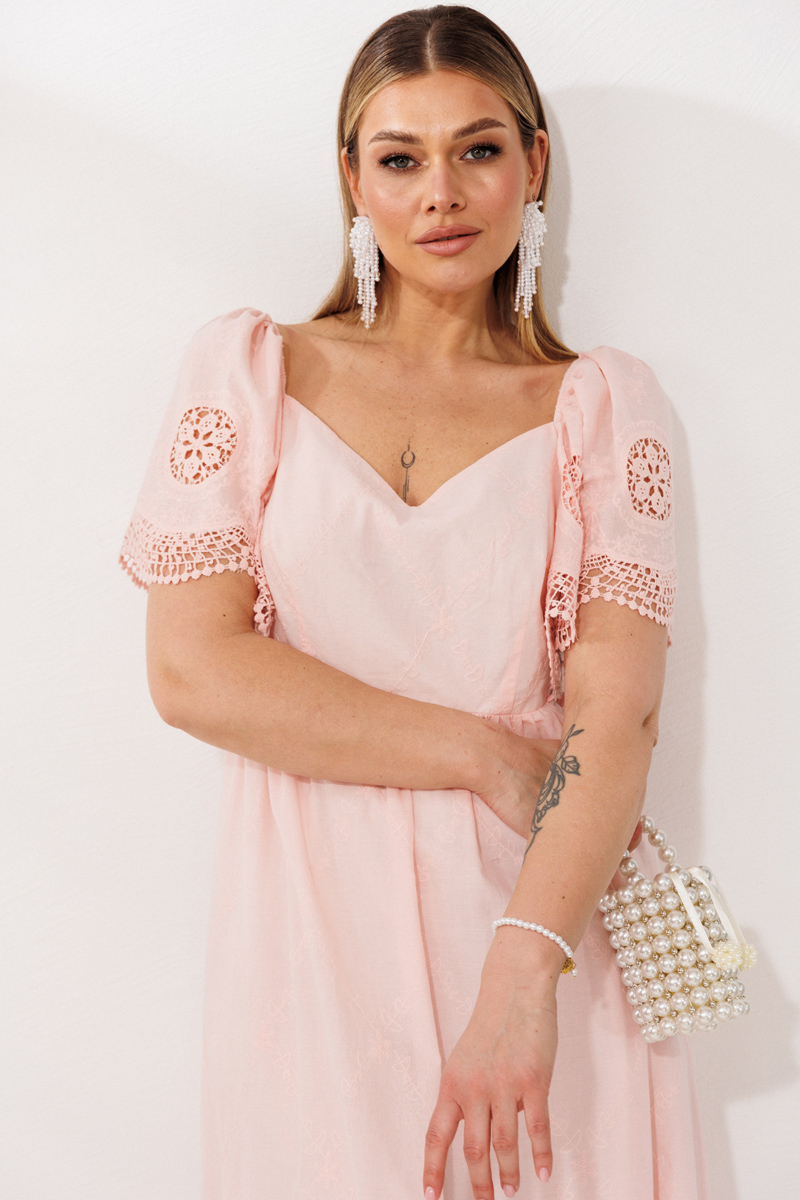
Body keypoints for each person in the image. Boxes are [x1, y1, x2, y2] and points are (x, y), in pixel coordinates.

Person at [120, 6, 705, 1198]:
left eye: (477, 150)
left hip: (534, 927)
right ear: (352, 178)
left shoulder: (600, 406)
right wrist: (483, 754)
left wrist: (520, 978)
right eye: (399, 159)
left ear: (532, 162)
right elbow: (193, 673)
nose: (440, 193)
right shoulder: (252, 372)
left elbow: (619, 716)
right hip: (309, 944)